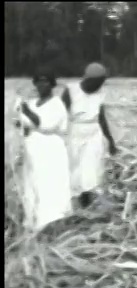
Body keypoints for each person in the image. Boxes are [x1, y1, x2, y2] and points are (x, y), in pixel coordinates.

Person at [15, 69, 72, 232]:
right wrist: (19, 119)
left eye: (45, 81)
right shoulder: (33, 103)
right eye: (38, 81)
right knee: (32, 185)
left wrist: (26, 112)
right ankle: (32, 222)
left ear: (52, 84)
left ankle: (48, 223)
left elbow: (46, 125)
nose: (41, 85)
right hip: (32, 151)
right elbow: (23, 123)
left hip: (50, 150)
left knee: (48, 185)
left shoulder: (57, 104)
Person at [61, 62, 117, 208]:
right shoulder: (71, 90)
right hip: (75, 132)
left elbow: (101, 118)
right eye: (98, 82)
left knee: (93, 166)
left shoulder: (99, 94)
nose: (100, 86)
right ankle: (77, 200)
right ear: (88, 80)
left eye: (102, 82)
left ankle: (93, 198)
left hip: (94, 133)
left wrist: (110, 140)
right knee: (75, 169)